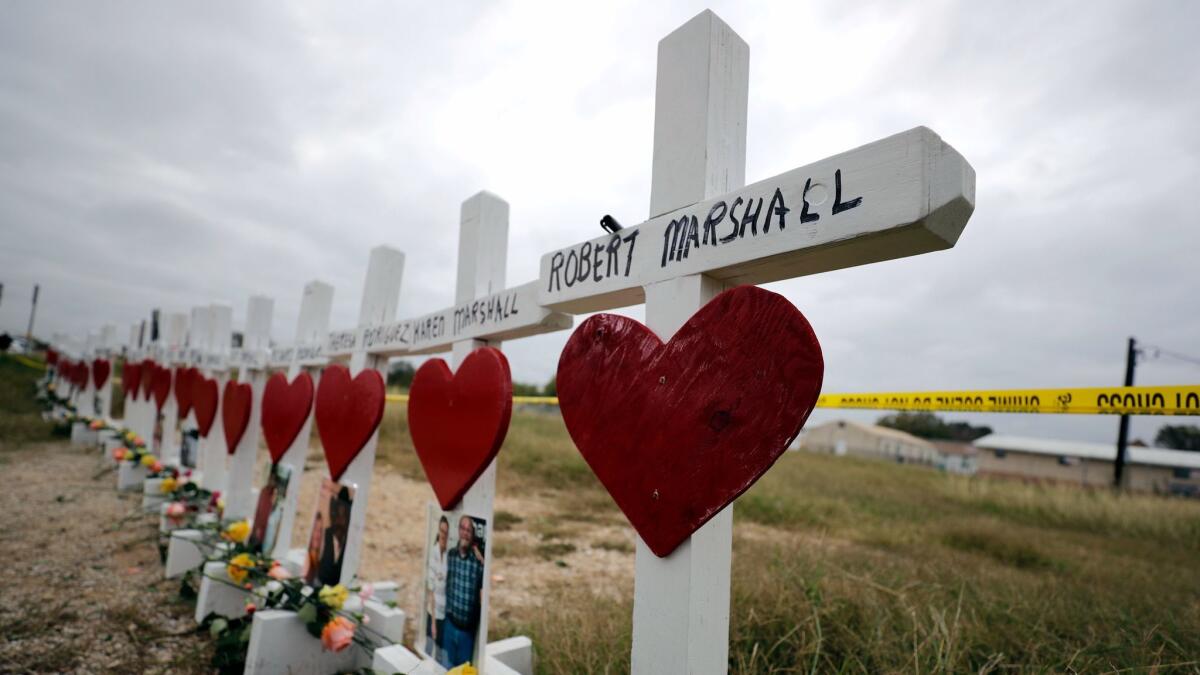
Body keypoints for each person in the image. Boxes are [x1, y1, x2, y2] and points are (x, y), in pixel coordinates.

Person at [443, 515, 485, 667]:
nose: (465, 533)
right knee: (445, 669)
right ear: (458, 530)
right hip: (449, 626)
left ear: (473, 535)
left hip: (467, 633)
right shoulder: (451, 556)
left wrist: (484, 561)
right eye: (463, 528)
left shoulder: (478, 563)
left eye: (469, 530)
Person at [424, 515, 450, 666]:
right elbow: (431, 591)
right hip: (433, 613)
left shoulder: (448, 555)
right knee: (428, 648)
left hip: (444, 614)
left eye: (446, 532)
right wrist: (433, 622)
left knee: (440, 654)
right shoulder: (433, 553)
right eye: (442, 531)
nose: (444, 535)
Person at [317, 486, 352, 585]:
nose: (339, 520)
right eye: (337, 515)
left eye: (343, 516)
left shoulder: (348, 542)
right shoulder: (326, 535)